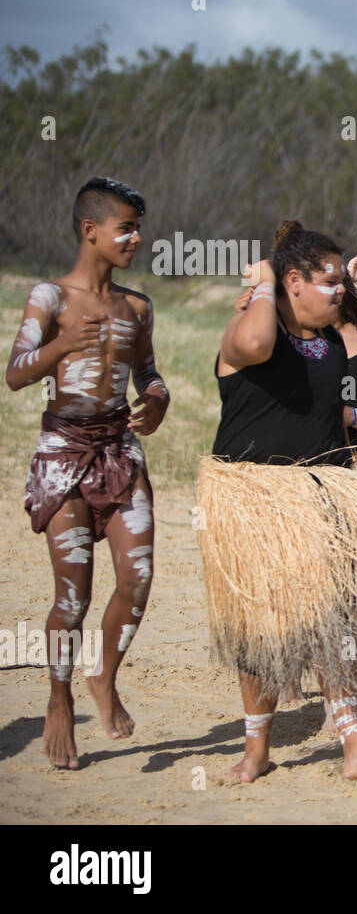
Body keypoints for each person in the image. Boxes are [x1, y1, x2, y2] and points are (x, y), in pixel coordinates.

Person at [199, 222, 357, 783]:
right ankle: (256, 748)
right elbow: (261, 345)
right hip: (256, 502)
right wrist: (263, 279)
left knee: (328, 614)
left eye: (342, 282)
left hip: (320, 495)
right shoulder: (245, 329)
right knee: (259, 631)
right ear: (292, 281)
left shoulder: (334, 342)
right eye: (330, 282)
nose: (343, 291)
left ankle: (355, 743)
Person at [6, 176, 168, 769]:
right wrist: (61, 344)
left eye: (138, 227)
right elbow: (16, 372)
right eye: (126, 227)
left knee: (139, 577)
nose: (136, 238)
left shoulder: (138, 306)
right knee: (72, 598)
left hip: (120, 451)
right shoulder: (50, 299)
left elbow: (148, 371)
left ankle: (104, 674)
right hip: (63, 454)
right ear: (89, 230)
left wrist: (158, 395)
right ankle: (57, 696)